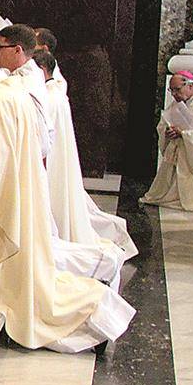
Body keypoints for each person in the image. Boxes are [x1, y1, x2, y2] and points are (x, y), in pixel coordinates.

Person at [0, 39, 134, 352]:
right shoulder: (13, 91)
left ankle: (94, 309)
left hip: (8, 205)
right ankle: (99, 308)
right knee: (31, 278)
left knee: (20, 294)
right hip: (21, 195)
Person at [36, 50, 138, 260]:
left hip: (50, 162)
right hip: (57, 160)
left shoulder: (49, 97)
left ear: (42, 70)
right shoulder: (55, 90)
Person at [141, 72, 193, 211]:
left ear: (189, 86)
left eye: (178, 89)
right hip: (176, 149)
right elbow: (163, 124)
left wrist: (183, 133)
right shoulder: (177, 103)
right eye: (172, 90)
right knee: (161, 190)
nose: (175, 94)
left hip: (191, 155)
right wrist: (168, 131)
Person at [0, 23, 55, 160]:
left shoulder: (24, 82)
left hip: (26, 156)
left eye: (0, 47)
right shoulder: (30, 74)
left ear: (17, 50)